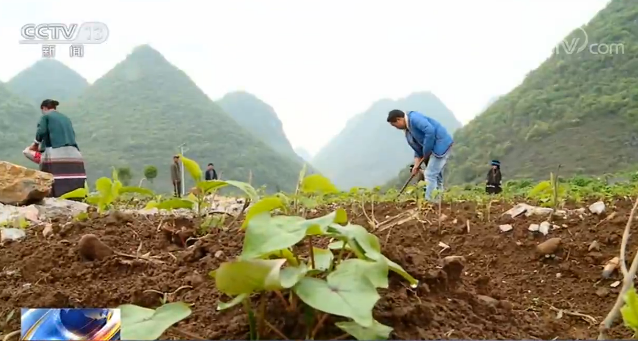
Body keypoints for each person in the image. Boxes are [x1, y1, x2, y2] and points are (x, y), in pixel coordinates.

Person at [387, 109, 453, 202]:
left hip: (441, 145)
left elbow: (430, 131)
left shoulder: (414, 118)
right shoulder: (408, 131)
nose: (396, 128)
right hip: (431, 150)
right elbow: (417, 148)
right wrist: (416, 165)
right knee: (436, 176)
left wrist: (426, 152)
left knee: (430, 174)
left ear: (399, 120)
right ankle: (438, 202)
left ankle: (430, 202)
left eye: (395, 125)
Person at [28, 99, 87, 197]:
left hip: (57, 151)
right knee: (73, 177)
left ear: (44, 108)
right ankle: (77, 197)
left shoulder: (46, 116)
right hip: (74, 153)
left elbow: (41, 132)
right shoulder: (66, 118)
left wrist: (35, 144)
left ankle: (54, 197)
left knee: (52, 177)